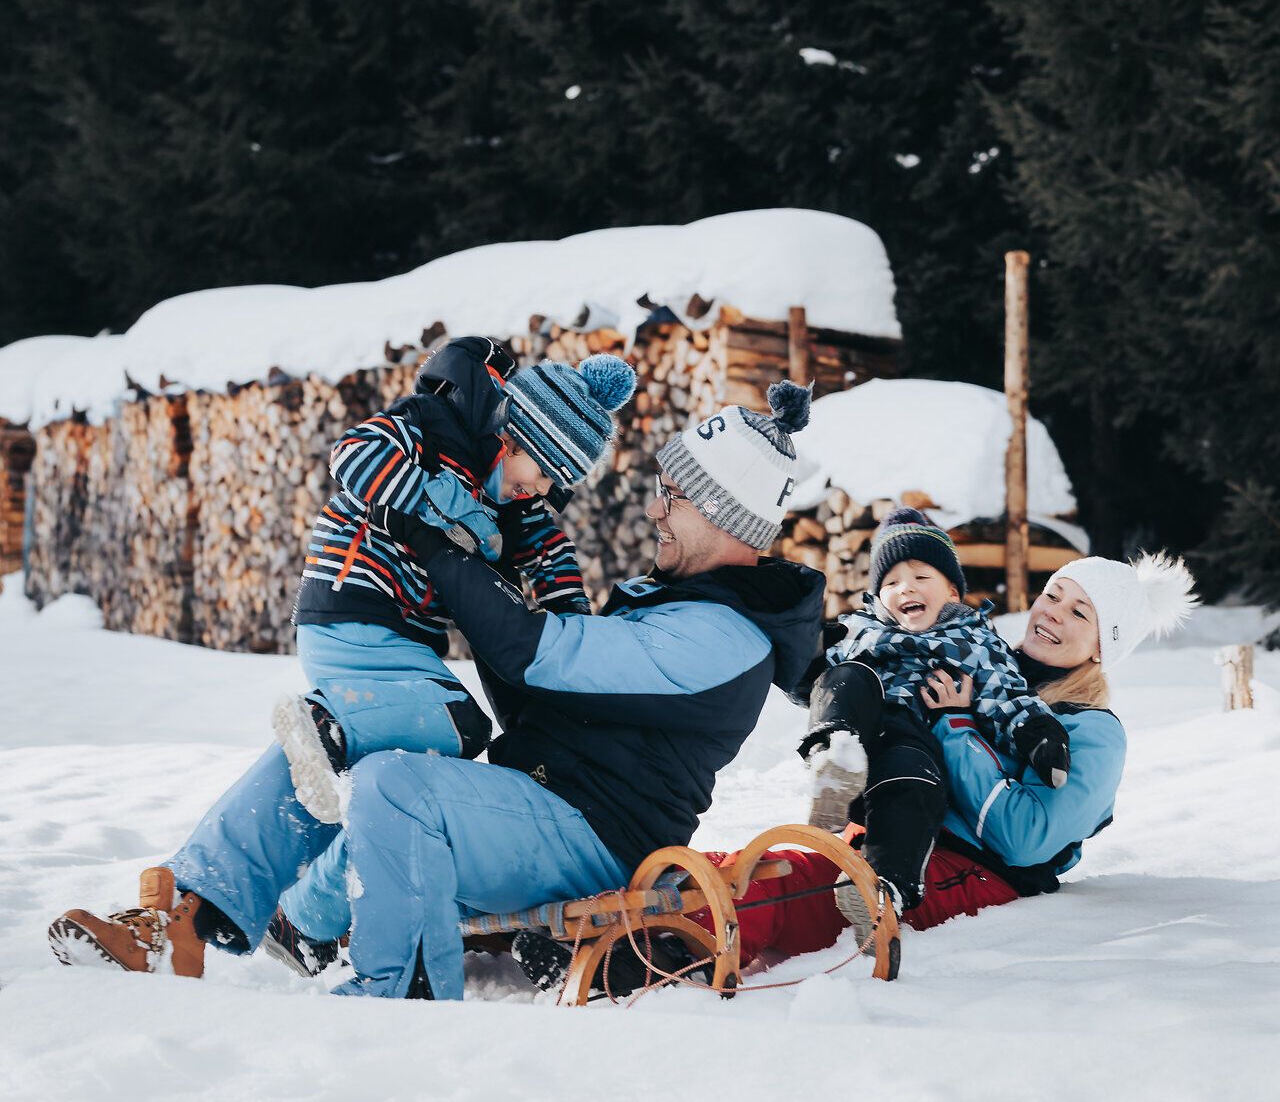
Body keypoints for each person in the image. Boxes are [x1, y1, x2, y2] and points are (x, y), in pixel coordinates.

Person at [48, 380, 826, 1001]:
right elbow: (537, 695)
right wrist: (494, 558)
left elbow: (532, 654)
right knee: (357, 743)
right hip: (535, 809)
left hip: (590, 839)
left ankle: (399, 991)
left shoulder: (722, 636)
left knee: (396, 785)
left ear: (724, 513)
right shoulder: (677, 604)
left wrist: (428, 533)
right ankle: (183, 916)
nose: (655, 509)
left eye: (673, 496)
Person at [46, 337, 636, 977]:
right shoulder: (430, 429)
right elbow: (353, 454)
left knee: (400, 776)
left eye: (556, 483)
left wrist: (582, 634)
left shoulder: (518, 504)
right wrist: (438, 503)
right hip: (354, 602)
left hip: (400, 642)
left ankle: (204, 919)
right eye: (543, 470)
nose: (541, 490)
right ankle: (329, 732)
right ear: (513, 434)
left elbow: (554, 566)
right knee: (460, 724)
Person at [720, 550, 1197, 965]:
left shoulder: (1092, 731)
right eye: (1052, 595)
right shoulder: (975, 657)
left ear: (1102, 649)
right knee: (761, 868)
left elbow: (1028, 839)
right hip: (892, 828)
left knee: (791, 888)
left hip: (972, 869)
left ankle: (694, 935)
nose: (1053, 614)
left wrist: (955, 726)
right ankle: (684, 892)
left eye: (1079, 613)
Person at [799, 506, 1072, 915]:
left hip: (913, 749)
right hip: (860, 735)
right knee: (846, 677)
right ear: (877, 597)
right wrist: (801, 648)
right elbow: (809, 681)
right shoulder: (858, 632)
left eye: (921, 578)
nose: (906, 589)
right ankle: (835, 760)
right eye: (891, 582)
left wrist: (1037, 732)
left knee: (912, 786)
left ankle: (885, 886)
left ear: (953, 593)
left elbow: (1005, 694)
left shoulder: (974, 642)